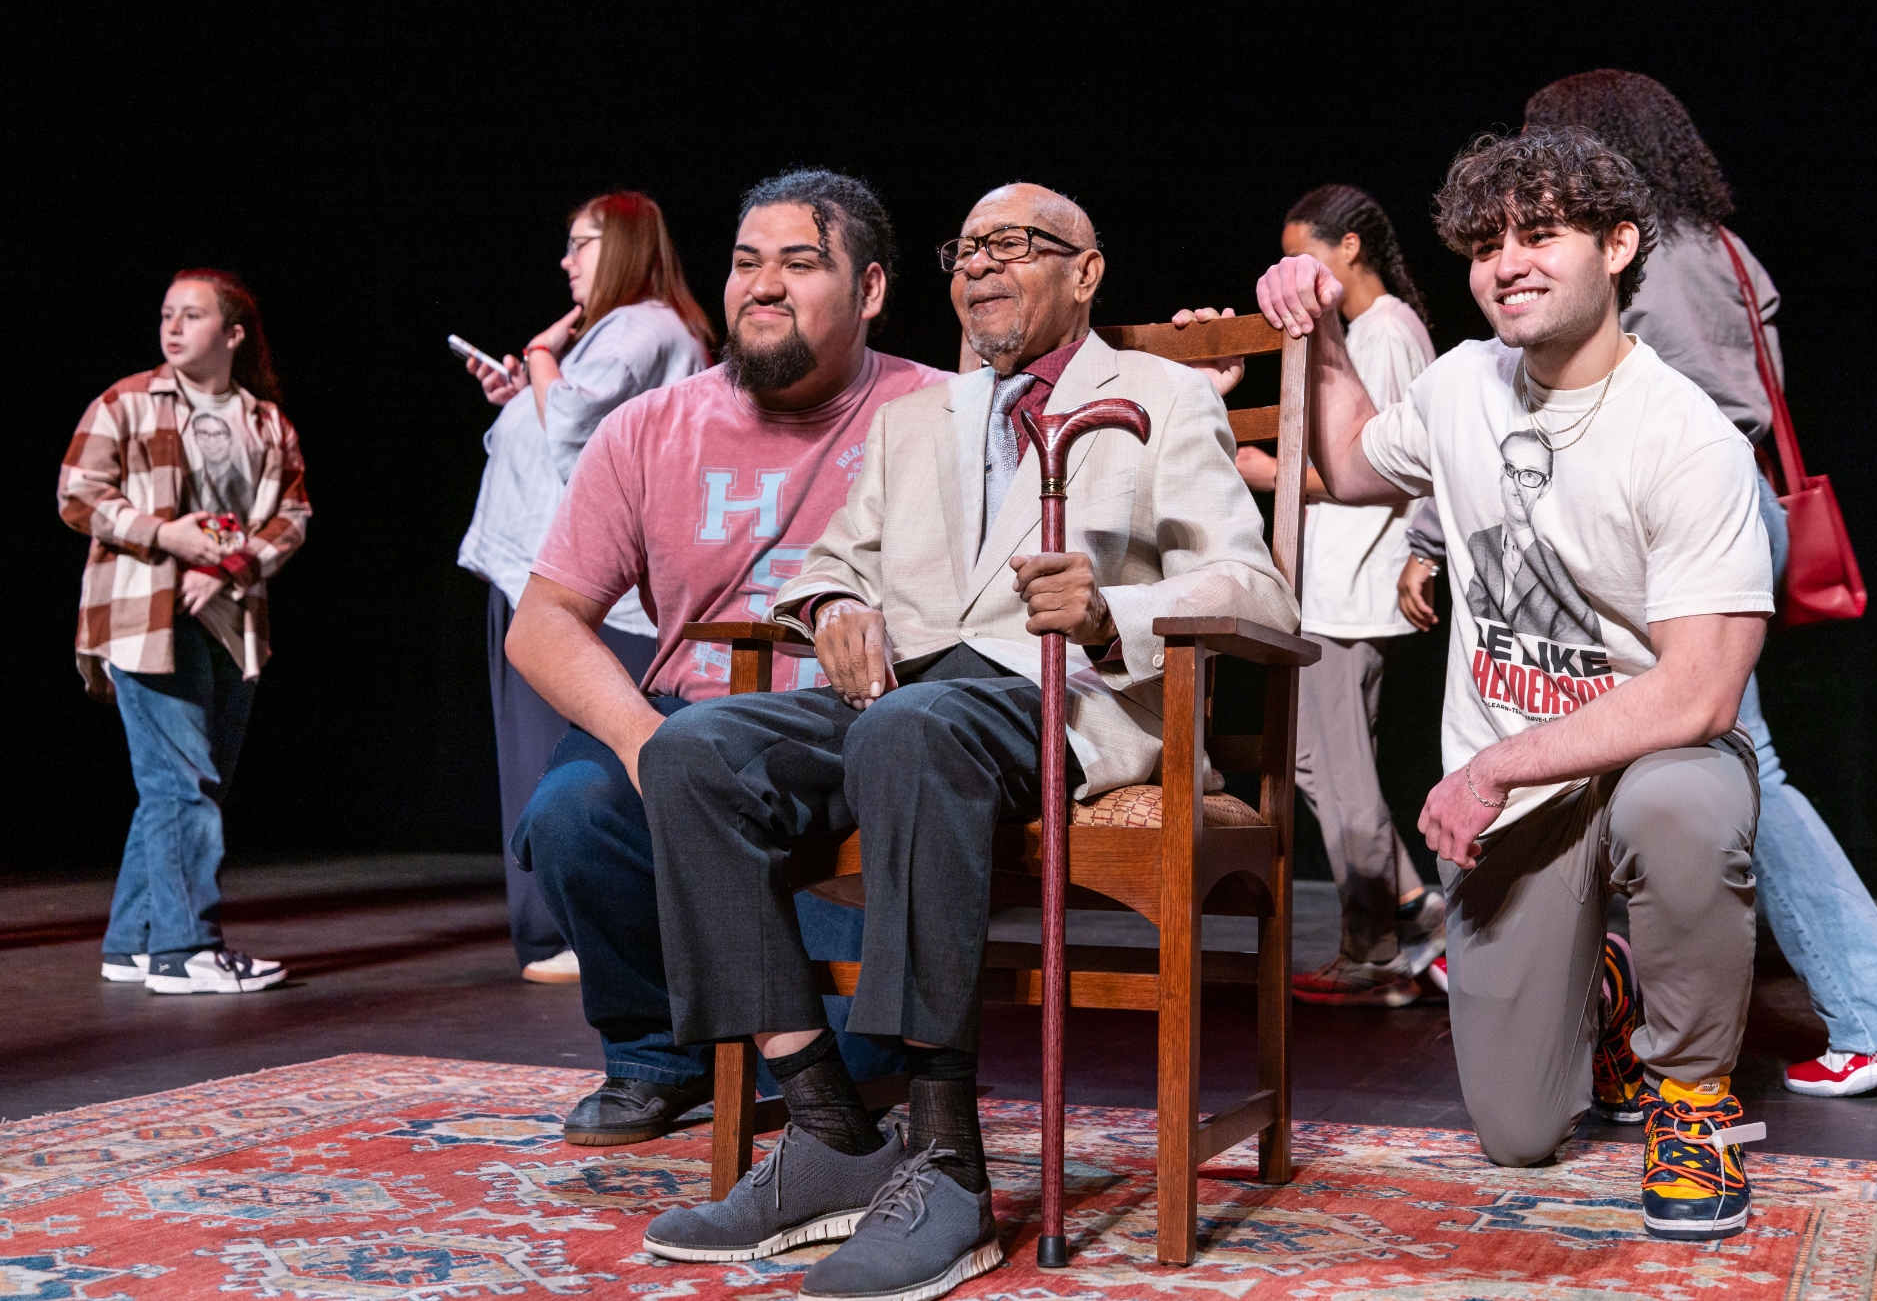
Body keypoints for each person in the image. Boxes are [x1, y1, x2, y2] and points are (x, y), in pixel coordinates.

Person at [634, 182, 1296, 1300]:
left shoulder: (1162, 396)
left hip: (1057, 693)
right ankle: (830, 1129)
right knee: (690, 752)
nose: (981, 264)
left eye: (1015, 245)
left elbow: (1257, 591)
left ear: (1085, 272)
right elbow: (832, 561)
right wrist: (834, 607)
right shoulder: (915, 415)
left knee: (910, 729)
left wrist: (1109, 610)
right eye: (967, 246)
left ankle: (944, 1161)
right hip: (898, 698)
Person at [1257, 126, 1772, 1241]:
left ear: (1618, 244)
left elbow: (1698, 693)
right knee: (1517, 1128)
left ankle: (1689, 1096)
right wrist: (1322, 333)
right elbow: (1348, 464)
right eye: (1485, 242)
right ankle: (1609, 994)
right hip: (1526, 797)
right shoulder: (1457, 385)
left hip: (1641, 755)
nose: (1507, 262)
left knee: (1681, 801)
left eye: (1541, 234)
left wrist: (1491, 761)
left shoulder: (1685, 439)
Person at [1525, 69, 1877, 1098]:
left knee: (1735, 756)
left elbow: (1666, 403)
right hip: (1730, 507)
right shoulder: (1717, 244)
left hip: (1693, 511)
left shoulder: (1652, 258)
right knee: (1708, 749)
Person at [503, 171, 935, 1147]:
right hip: (689, 716)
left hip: (849, 739)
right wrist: (642, 742)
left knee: (864, 1063)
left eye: (798, 262)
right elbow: (541, 622)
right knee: (572, 811)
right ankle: (657, 1052)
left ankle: (816, 1046)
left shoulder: (939, 414)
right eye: (746, 263)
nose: (763, 285)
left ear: (868, 290)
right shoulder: (651, 426)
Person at [457, 190, 714, 983]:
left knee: (570, 759)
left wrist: (541, 359)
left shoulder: (638, 326)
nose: (567, 262)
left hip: (578, 583)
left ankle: (583, 929)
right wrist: (527, 388)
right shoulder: (629, 333)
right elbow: (563, 423)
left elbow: (572, 428)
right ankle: (579, 927)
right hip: (553, 571)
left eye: (583, 244)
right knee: (557, 756)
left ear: (630, 248)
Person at [1218, 185, 1446, 1007]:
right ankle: (1415, 907)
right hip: (1333, 584)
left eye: (1306, 254)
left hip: (1353, 584)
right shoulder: (1378, 331)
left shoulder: (1382, 332)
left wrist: (1267, 473)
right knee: (1319, 761)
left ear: (1349, 248)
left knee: (1340, 773)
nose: (1295, 273)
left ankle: (1373, 950)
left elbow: (1382, 470)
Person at [59, 270, 310, 994]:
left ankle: (132, 941)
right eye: (167, 313)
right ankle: (184, 949)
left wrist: (227, 564)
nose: (172, 327)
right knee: (181, 783)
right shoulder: (127, 402)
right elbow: (77, 493)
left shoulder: (265, 422)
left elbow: (290, 518)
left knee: (186, 786)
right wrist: (169, 536)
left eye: (191, 316)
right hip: (142, 614)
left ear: (232, 334)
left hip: (229, 618)